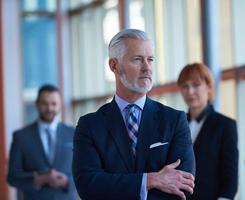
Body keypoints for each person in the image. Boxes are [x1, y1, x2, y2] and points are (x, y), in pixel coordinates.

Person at [72, 29, 195, 200]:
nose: (147, 68)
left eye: (150, 59)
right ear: (114, 65)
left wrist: (117, 185)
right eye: (137, 59)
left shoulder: (174, 120)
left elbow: (184, 187)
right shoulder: (90, 126)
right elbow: (89, 186)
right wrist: (150, 180)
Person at [177, 63, 238, 200]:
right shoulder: (177, 124)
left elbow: (230, 177)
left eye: (196, 85)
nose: (190, 91)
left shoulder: (225, 125)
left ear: (209, 87)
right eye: (185, 86)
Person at [7, 84, 77, 200]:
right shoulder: (20, 136)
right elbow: (12, 177)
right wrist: (38, 179)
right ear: (37, 104)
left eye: (54, 104)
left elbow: (85, 172)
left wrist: (67, 181)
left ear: (60, 106)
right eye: (45, 103)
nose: (49, 108)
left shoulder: (73, 134)